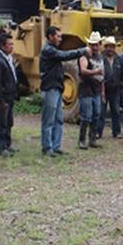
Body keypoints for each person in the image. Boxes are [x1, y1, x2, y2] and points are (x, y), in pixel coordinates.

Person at [39, 26, 90, 157]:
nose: (60, 39)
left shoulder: (52, 49)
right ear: (50, 36)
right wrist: (82, 50)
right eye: (58, 36)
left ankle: (56, 146)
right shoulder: (48, 50)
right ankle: (47, 147)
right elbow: (65, 55)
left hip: (56, 88)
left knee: (58, 119)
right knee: (48, 120)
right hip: (50, 89)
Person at [0, 33, 18, 157]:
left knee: (8, 122)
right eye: (9, 44)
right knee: (1, 122)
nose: (12, 47)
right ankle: (0, 147)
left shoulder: (7, 58)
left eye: (12, 44)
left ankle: (7, 144)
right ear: (2, 45)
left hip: (9, 97)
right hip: (3, 98)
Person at [77, 32, 105, 150]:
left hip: (97, 89)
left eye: (96, 44)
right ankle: (82, 140)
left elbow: (103, 76)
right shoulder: (84, 56)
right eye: (92, 44)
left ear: (99, 44)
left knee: (96, 114)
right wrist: (95, 72)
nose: (94, 47)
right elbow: (83, 70)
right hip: (86, 89)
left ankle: (92, 139)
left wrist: (103, 91)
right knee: (86, 116)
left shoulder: (100, 57)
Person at [97, 36, 123, 139]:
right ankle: (98, 132)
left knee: (116, 111)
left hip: (115, 89)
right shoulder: (100, 58)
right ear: (105, 47)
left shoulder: (119, 59)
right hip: (103, 88)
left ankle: (116, 132)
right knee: (101, 111)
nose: (111, 49)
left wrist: (121, 85)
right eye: (109, 47)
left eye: (113, 47)